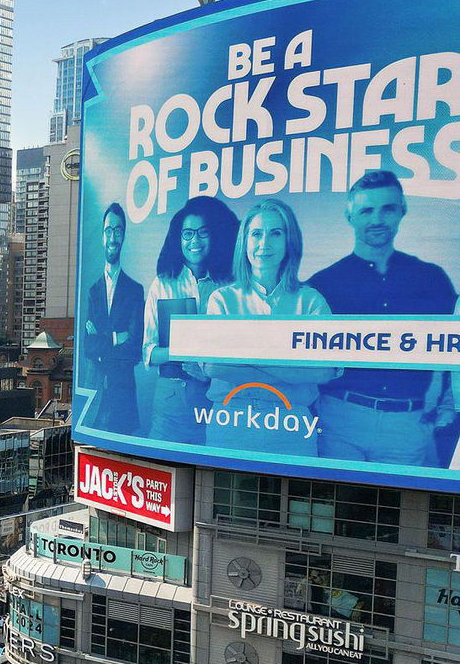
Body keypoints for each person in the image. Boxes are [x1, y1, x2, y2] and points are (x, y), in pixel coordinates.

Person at [306, 170, 457, 464]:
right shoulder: (323, 284)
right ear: (350, 216)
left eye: (387, 208)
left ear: (402, 210)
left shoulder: (432, 279)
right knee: (339, 502)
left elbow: (454, 347)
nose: (376, 219)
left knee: (398, 508)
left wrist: (448, 408)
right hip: (339, 420)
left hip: (407, 426)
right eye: (366, 210)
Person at [204, 199, 336, 456]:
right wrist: (290, 369)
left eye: (276, 233)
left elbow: (324, 372)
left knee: (289, 496)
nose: (264, 243)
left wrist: (246, 362)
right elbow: (214, 367)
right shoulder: (222, 299)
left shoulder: (310, 301)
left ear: (289, 242)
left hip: (291, 424)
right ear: (245, 242)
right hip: (231, 419)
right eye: (256, 234)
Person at [142, 196, 238, 443]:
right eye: (187, 233)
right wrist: (185, 353)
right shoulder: (163, 283)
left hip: (220, 398)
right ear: (178, 238)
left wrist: (208, 369)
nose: (194, 240)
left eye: (203, 232)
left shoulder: (231, 284)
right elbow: (149, 353)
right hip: (172, 397)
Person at [83, 202, 145, 433]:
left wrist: (101, 340)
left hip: (123, 400)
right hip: (95, 398)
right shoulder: (91, 291)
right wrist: (117, 338)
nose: (113, 237)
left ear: (124, 235)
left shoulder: (135, 290)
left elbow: (135, 348)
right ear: (102, 236)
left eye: (118, 230)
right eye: (109, 230)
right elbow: (88, 347)